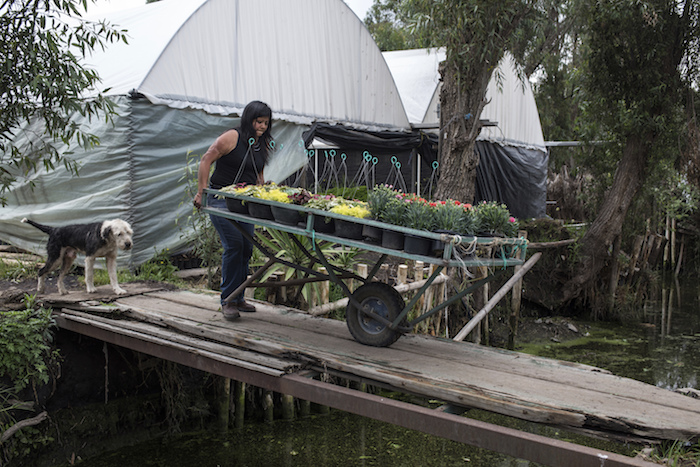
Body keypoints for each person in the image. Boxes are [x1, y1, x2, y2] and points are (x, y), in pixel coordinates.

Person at [193, 100, 274, 320]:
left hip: (245, 203)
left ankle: (238, 297)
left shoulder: (262, 143)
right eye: (259, 122)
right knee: (234, 245)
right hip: (221, 199)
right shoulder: (232, 137)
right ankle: (227, 299)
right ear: (249, 119)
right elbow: (206, 159)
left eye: (266, 123)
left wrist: (263, 190)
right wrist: (202, 191)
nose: (263, 126)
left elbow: (258, 173)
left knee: (247, 248)